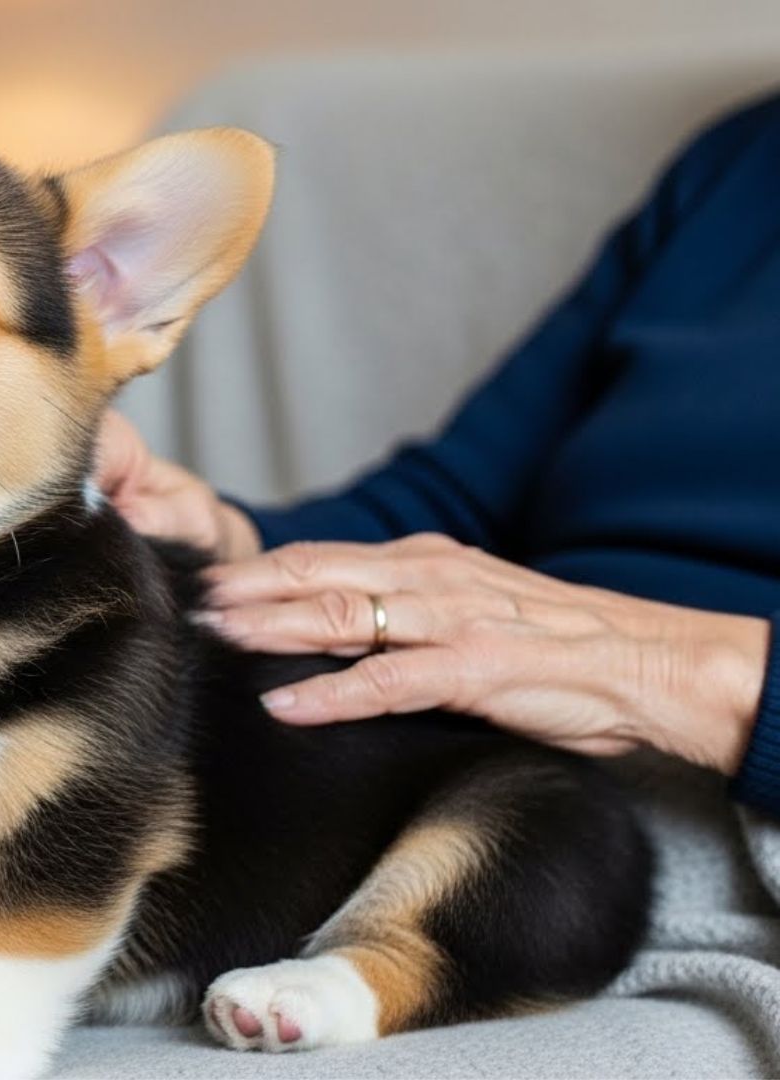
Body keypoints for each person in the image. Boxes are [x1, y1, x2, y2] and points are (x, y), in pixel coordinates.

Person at [95, 89, 780, 817]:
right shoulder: (741, 161)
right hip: (490, 744)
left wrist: (687, 675)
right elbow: (457, 501)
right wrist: (223, 539)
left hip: (702, 802)